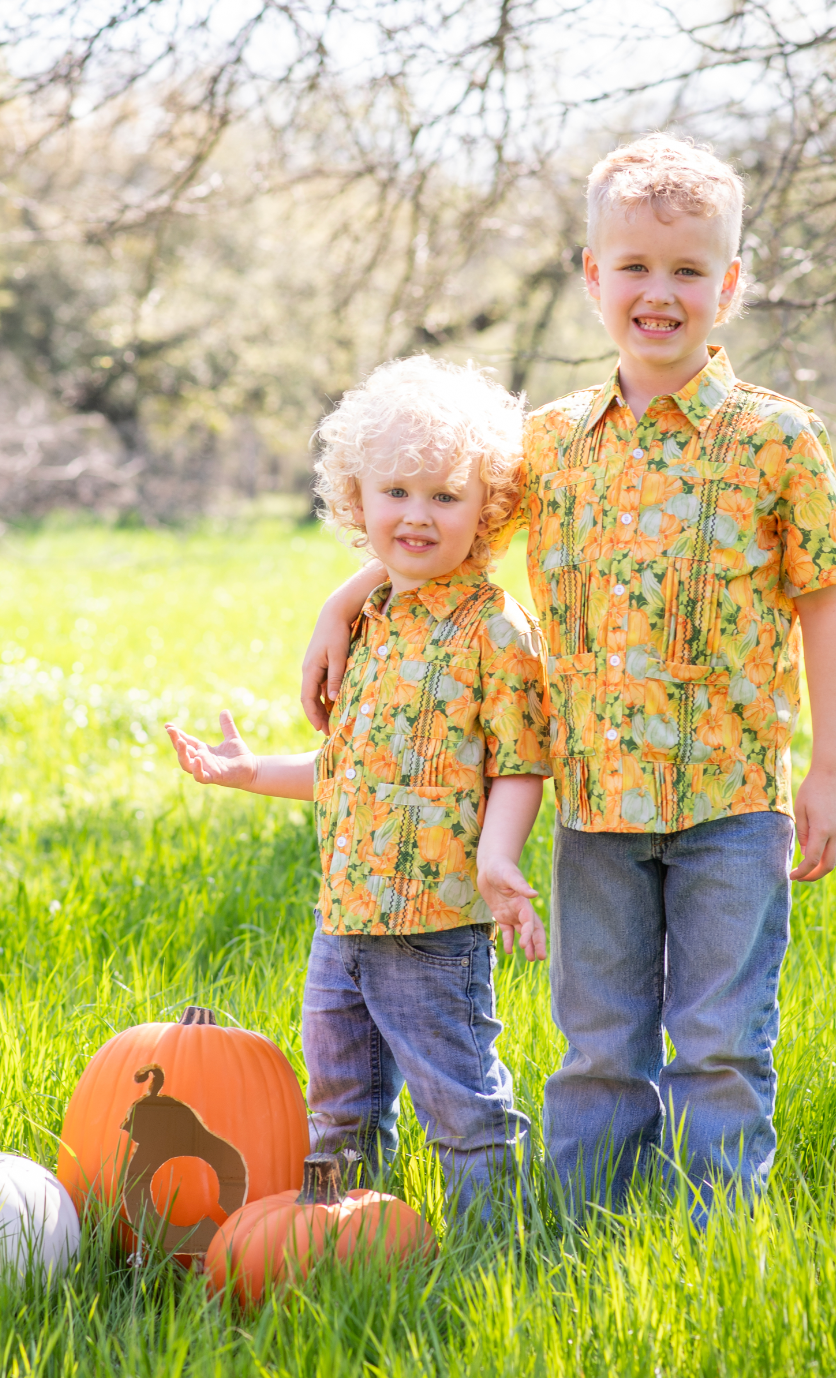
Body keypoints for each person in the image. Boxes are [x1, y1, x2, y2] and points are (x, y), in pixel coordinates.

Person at [300, 134, 836, 1217]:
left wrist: (826, 774)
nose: (659, 293)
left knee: (718, 1047)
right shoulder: (549, 444)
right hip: (593, 803)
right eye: (634, 267)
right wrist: (349, 594)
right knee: (597, 1045)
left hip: (732, 801)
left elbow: (826, 604)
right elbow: (441, 539)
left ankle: (713, 1242)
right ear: (590, 274)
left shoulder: (776, 441)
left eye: (688, 270)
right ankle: (583, 1236)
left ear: (729, 285)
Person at [166, 355, 551, 1217]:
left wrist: (498, 856)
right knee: (339, 1109)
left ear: (485, 510)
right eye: (397, 492)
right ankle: (348, 1246)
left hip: (434, 925)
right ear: (357, 498)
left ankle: (495, 1246)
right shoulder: (370, 622)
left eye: (446, 497)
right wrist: (247, 772)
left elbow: (522, 762)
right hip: (341, 919)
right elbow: (351, 775)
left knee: (464, 1105)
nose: (417, 515)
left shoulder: (495, 629)